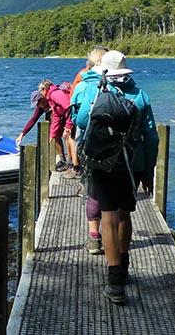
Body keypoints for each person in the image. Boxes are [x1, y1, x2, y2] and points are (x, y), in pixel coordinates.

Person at [72, 50, 159, 305]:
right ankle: (124, 265)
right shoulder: (140, 95)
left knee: (108, 218)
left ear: (104, 71)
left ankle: (114, 283)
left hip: (103, 164)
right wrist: (148, 169)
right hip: (132, 164)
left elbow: (81, 122)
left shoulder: (96, 91)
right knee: (125, 215)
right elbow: (151, 137)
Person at [67, 46, 109, 252]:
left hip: (90, 143)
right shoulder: (118, 84)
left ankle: (94, 238)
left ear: (90, 64)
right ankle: (115, 243)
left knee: (93, 190)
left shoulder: (83, 86)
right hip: (117, 146)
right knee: (113, 193)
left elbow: (79, 118)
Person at [36, 79, 72, 170]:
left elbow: (69, 107)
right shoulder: (51, 97)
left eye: (41, 91)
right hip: (67, 116)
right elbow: (56, 115)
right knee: (59, 136)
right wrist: (52, 134)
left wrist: (68, 126)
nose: (41, 93)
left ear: (44, 89)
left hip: (73, 116)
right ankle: (65, 161)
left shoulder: (54, 94)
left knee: (68, 137)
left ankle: (71, 164)